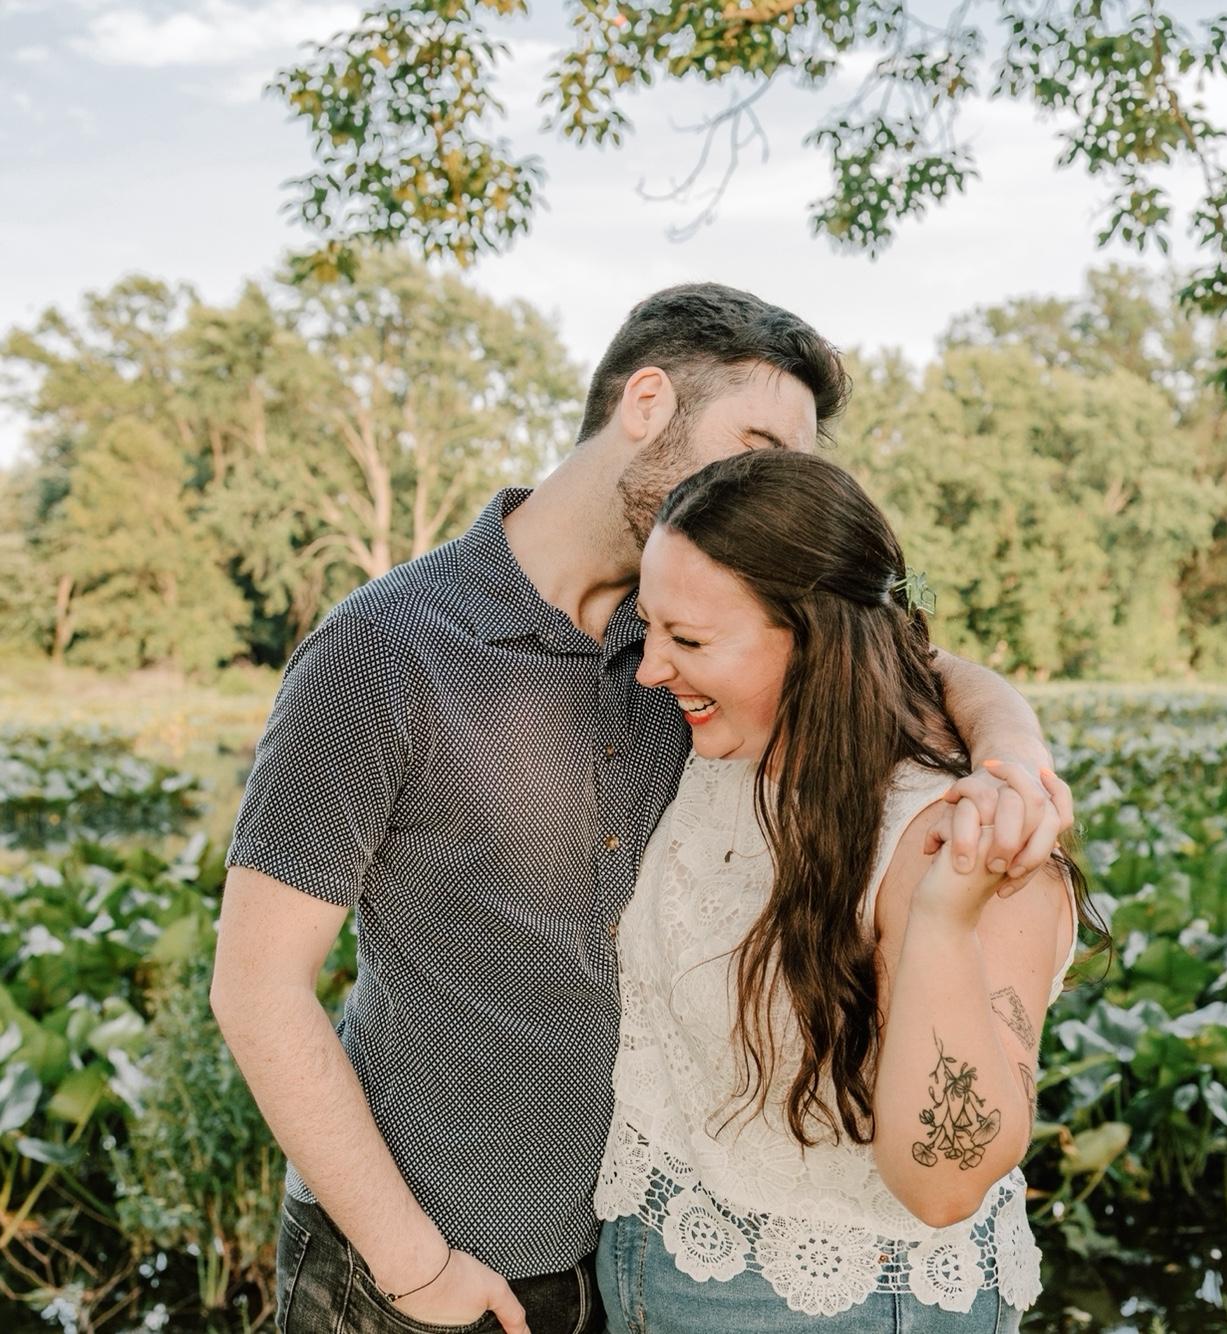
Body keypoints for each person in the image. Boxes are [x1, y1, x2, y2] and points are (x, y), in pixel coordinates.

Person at [210, 283, 1076, 1334]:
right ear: (648, 400)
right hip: (415, 1267)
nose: (770, 486)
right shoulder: (385, 650)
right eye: (754, 442)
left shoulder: (689, 639)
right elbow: (257, 987)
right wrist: (414, 1265)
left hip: (614, 1263)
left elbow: (894, 654)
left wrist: (1011, 750)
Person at [596, 449, 1108, 1332]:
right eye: (650, 626)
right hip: (652, 1259)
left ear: (817, 640)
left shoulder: (959, 844)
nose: (648, 668)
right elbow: (930, 653)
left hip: (844, 1302)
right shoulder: (732, 744)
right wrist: (1012, 735)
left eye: (687, 640)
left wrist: (943, 920)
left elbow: (947, 1182)